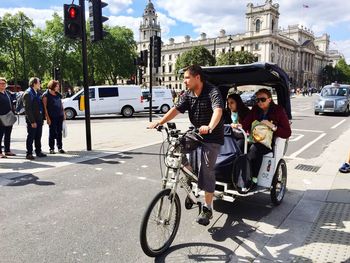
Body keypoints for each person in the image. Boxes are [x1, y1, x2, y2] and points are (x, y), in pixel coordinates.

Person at [148, 65, 224, 226]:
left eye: (187, 78)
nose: (184, 81)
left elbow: (217, 111)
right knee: (174, 149)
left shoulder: (212, 91)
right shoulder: (188, 94)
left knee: (207, 168)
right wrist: (160, 122)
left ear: (197, 77)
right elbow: (176, 109)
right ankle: (190, 177)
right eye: (184, 78)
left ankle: (207, 207)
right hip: (196, 132)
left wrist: (210, 126)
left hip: (212, 136)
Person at [242, 88, 291, 183]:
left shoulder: (279, 110)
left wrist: (272, 126)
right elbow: (246, 124)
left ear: (270, 99)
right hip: (254, 138)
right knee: (239, 145)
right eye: (257, 100)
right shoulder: (255, 109)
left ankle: (253, 179)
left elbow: (287, 132)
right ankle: (238, 174)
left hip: (268, 142)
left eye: (262, 99)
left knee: (254, 149)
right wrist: (238, 126)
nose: (259, 102)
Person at [23, 77, 47, 160]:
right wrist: (32, 121)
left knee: (38, 136)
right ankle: (29, 153)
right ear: (34, 84)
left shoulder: (38, 92)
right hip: (32, 120)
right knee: (31, 136)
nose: (40, 84)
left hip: (39, 118)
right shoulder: (28, 93)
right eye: (39, 83)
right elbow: (28, 109)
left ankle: (38, 151)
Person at [42, 80, 66, 154]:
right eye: (57, 86)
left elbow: (61, 104)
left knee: (59, 132)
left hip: (59, 116)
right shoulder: (46, 95)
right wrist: (47, 118)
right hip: (52, 116)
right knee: (52, 132)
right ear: (53, 86)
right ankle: (51, 148)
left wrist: (64, 113)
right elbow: (45, 107)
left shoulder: (58, 94)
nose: (58, 87)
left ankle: (60, 147)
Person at [0, 77, 16, 158]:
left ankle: (7, 150)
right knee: (0, 135)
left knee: (8, 135)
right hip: (1, 118)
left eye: (4, 83)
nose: (3, 85)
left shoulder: (7, 93)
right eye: (1, 83)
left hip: (9, 116)